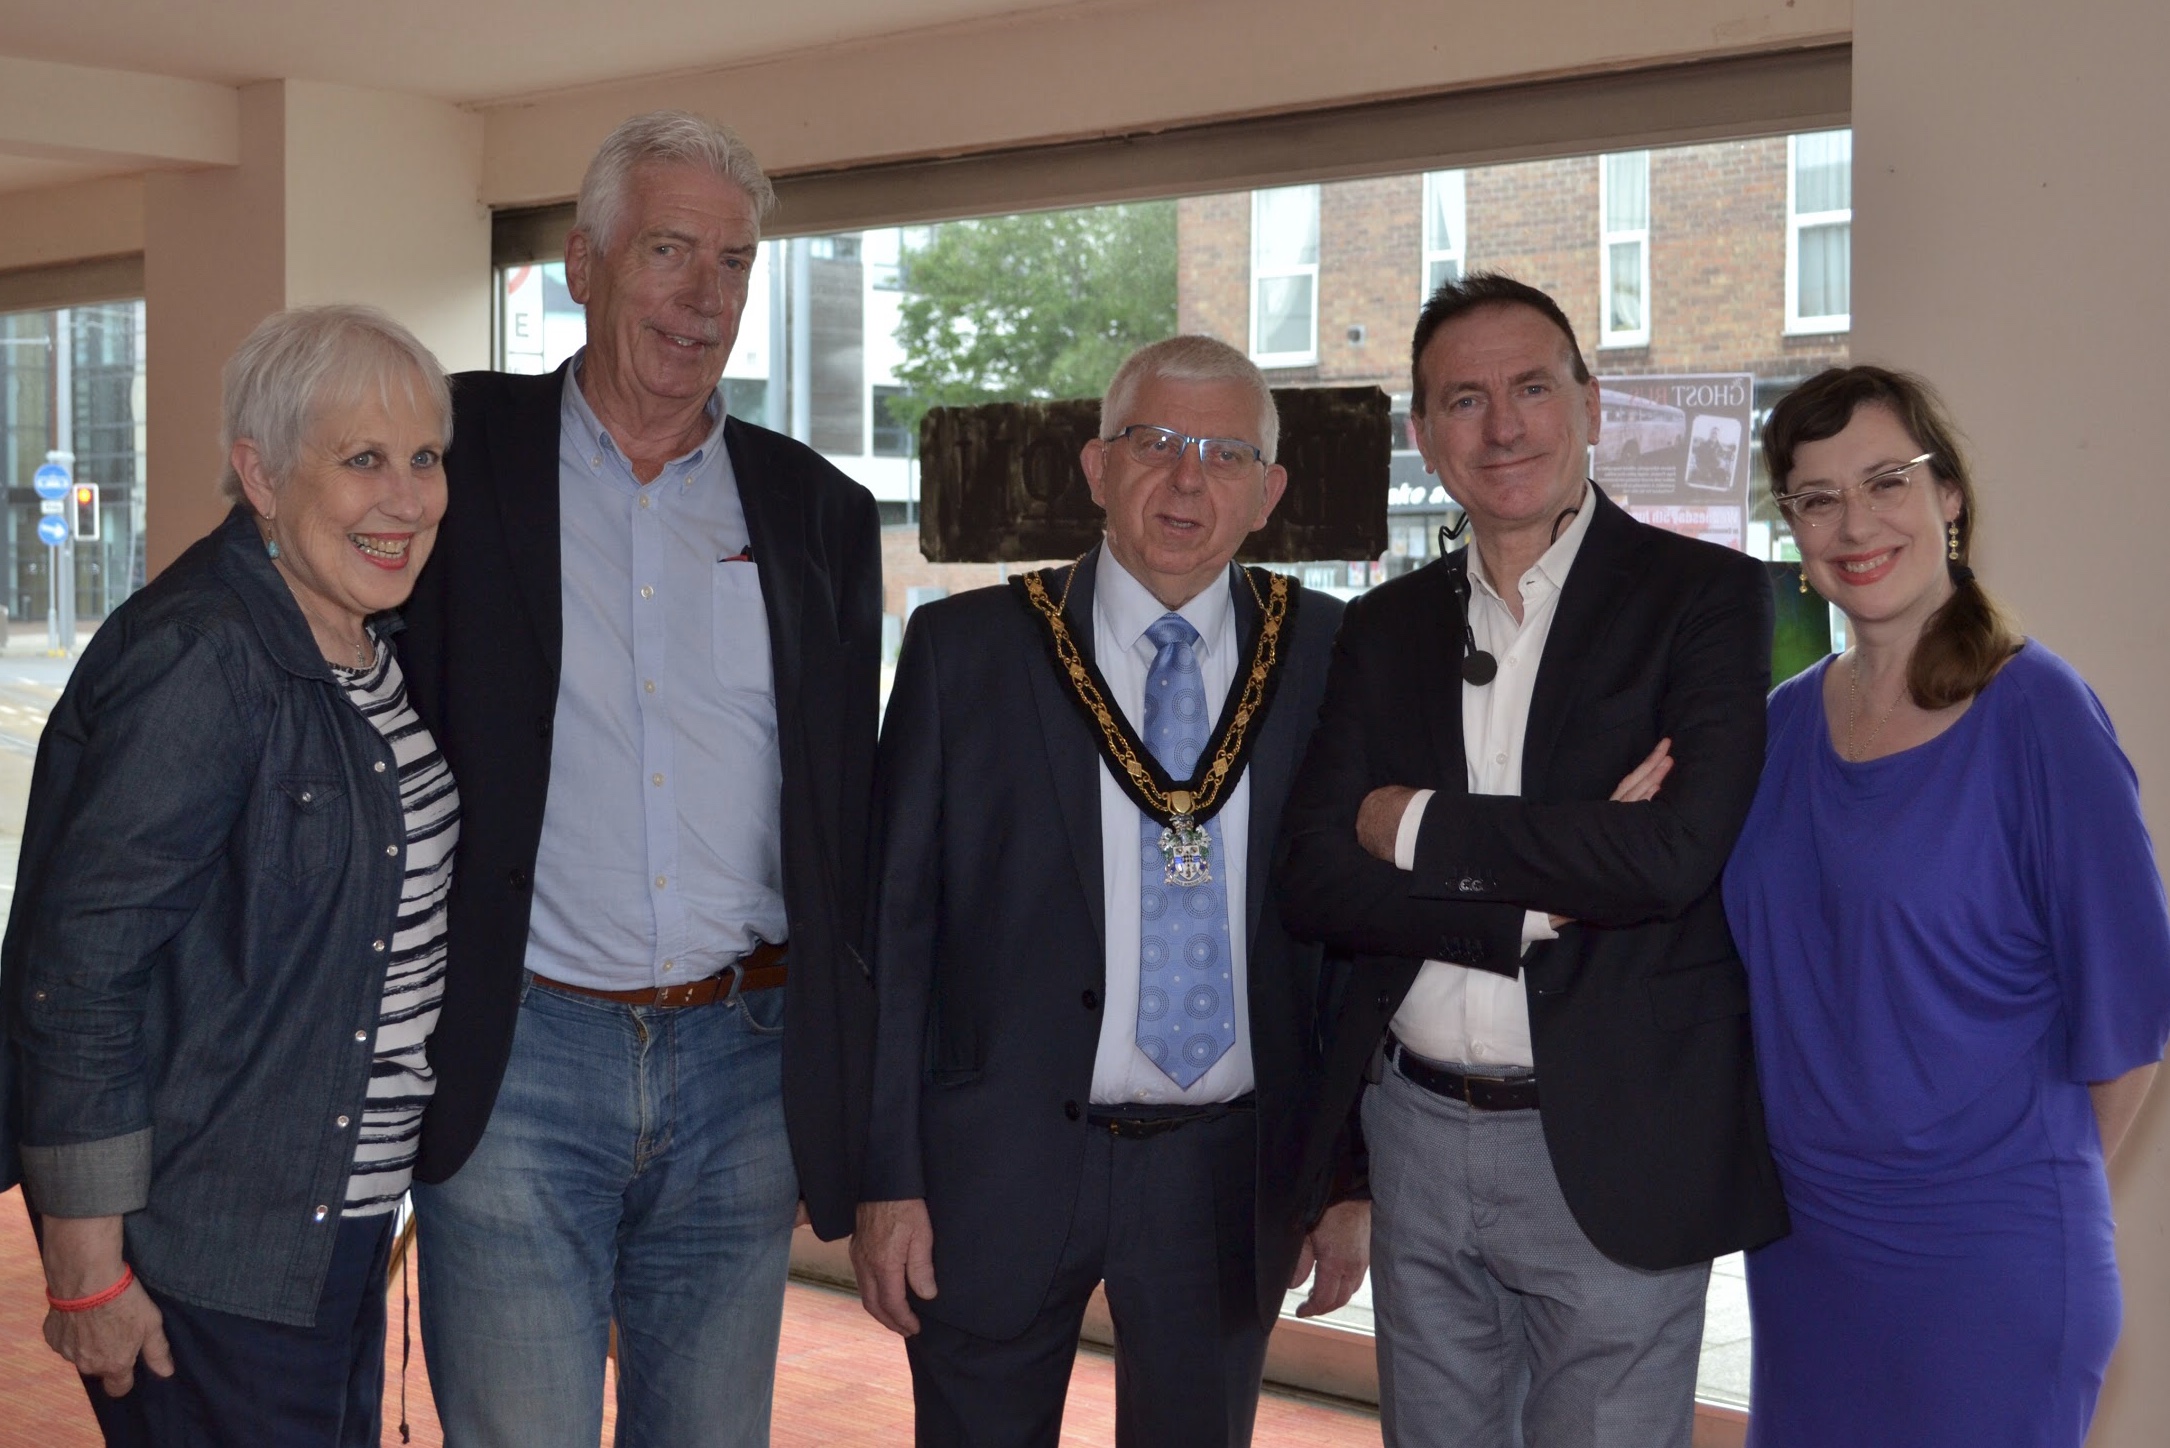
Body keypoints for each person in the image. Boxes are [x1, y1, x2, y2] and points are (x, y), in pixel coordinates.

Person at [393, 110, 881, 1447]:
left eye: (733, 262)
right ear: (582, 265)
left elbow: (845, 822)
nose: (703, 295)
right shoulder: (454, 453)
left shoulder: (818, 514)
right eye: (669, 250)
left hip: (742, 1070)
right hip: (516, 1059)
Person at [1277, 272, 1790, 1448]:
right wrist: (1540, 904)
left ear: (1590, 405)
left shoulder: (1703, 597)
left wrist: (1414, 826)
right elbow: (1312, 873)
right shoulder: (1383, 626)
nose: (1502, 427)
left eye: (1532, 388)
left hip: (1614, 1137)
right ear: (1422, 435)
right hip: (1414, 1131)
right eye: (1464, 400)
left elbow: (1668, 856)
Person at [854, 335, 1368, 1447]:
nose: (1188, 479)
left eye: (1226, 455)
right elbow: (895, 937)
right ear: (1097, 467)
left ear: (1268, 492)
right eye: (1156, 443)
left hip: (1225, 1175)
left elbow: (1355, 945)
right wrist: (884, 1179)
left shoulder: (1331, 655)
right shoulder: (967, 653)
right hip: (999, 1165)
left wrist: (1347, 1178)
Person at [0, 304, 457, 1446]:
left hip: (326, 1228)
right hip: (214, 1252)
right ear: (259, 473)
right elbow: (79, 972)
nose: (407, 499)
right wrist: (85, 1267)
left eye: (424, 457)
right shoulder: (206, 655)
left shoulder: (360, 642)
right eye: (363, 460)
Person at [1725, 365, 2170, 1447]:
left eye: (1886, 481)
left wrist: (2009, 1193)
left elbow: (2131, 1021)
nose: (1855, 523)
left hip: (1987, 1265)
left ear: (1950, 495)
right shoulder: (1776, 728)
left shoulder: (2039, 714)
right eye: (1818, 497)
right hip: (1802, 1251)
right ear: (1791, 526)